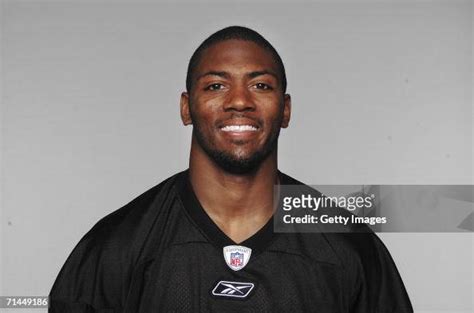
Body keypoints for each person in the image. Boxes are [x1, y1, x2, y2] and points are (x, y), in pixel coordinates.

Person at [49, 26, 413, 313]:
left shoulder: (350, 248)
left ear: (285, 110)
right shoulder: (114, 248)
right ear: (186, 107)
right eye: (216, 85)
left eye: (260, 85)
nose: (239, 101)